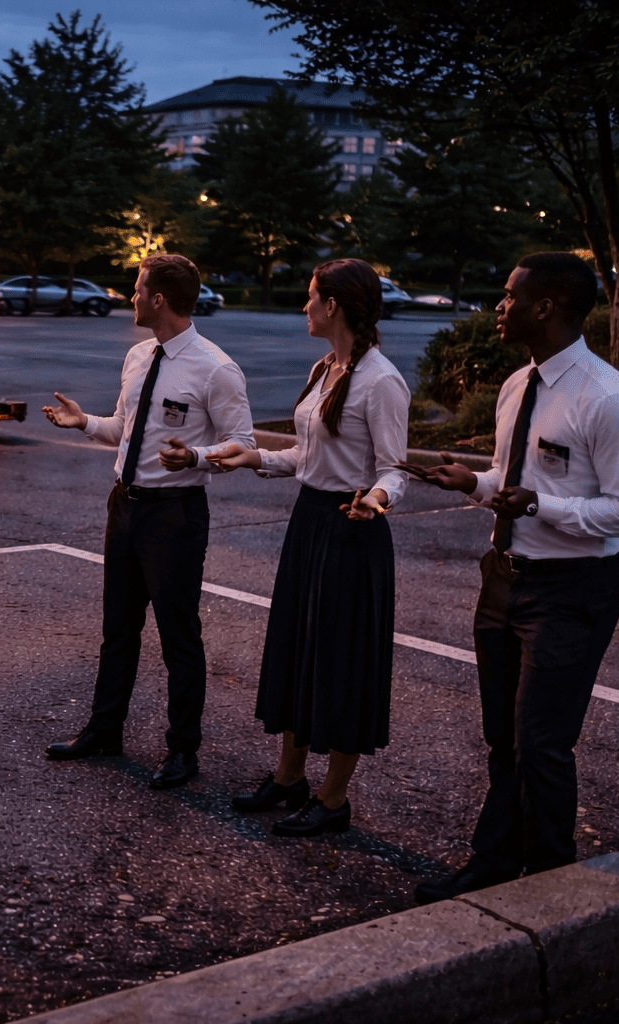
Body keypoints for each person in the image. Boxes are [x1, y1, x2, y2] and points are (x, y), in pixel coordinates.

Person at [401, 252, 619, 903]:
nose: (499, 306)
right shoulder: (520, 385)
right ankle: (494, 862)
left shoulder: (611, 401)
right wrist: (477, 483)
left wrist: (541, 505)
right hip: (503, 581)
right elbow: (510, 481)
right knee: (504, 737)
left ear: (545, 306)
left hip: (573, 590)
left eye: (510, 296)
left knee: (542, 743)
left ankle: (550, 886)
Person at [207, 258, 408, 837]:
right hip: (310, 521)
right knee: (299, 648)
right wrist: (255, 458)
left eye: (311, 296)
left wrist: (376, 499)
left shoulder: (381, 381)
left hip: (352, 529)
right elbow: (307, 458)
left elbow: (396, 470)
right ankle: (290, 778)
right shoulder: (327, 368)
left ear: (334, 306)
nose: (305, 306)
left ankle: (333, 797)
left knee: (342, 661)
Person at [42, 253, 255, 789]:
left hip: (175, 515)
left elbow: (244, 444)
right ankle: (103, 730)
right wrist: (84, 422)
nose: (130, 296)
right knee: (118, 630)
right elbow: (125, 428)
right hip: (125, 505)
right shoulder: (140, 355)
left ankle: (183, 752)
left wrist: (200, 458)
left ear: (157, 299)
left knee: (179, 637)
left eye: (137, 288)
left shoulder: (216, 368)